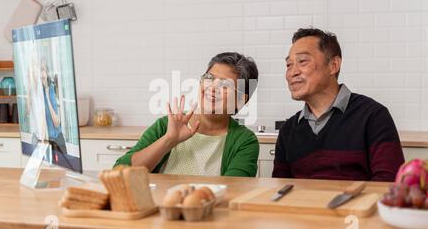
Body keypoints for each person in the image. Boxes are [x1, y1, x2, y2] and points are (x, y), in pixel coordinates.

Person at [273, 28, 405, 181]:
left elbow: (389, 184)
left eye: (302, 61)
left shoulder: (373, 116)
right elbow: (280, 189)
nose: (291, 73)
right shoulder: (288, 131)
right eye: (289, 65)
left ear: (333, 65)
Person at [114, 52, 260, 177]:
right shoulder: (167, 125)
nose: (212, 87)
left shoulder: (245, 141)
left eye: (225, 85)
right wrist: (169, 140)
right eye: (209, 78)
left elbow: (234, 191)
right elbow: (120, 172)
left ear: (240, 100)